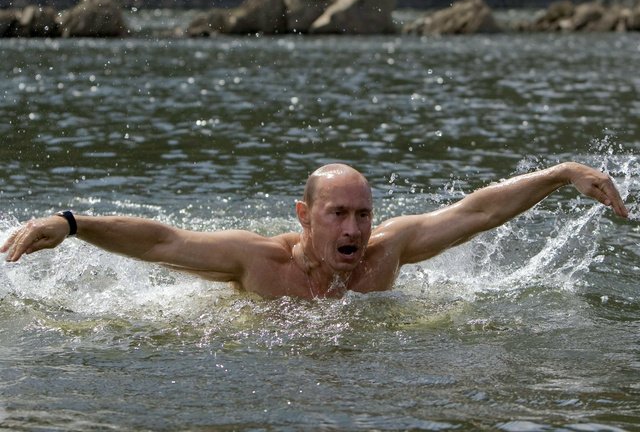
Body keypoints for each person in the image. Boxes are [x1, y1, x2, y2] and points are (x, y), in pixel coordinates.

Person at [1, 162, 628, 299]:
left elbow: (476, 212)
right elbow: (162, 241)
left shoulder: (388, 254)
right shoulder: (258, 262)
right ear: (305, 218)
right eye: (338, 214)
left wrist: (563, 174)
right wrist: (72, 223)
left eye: (362, 213)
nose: (355, 227)